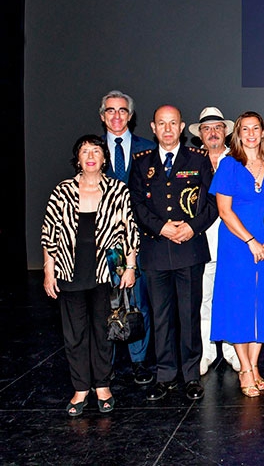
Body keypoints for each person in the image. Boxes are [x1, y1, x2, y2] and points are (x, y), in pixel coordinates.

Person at [42, 134, 139, 415]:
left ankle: (102, 386)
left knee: (103, 332)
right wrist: (49, 271)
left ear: (104, 158)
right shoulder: (62, 191)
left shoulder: (117, 190)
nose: (91, 155)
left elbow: (129, 232)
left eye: (96, 150)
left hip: (105, 273)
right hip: (69, 271)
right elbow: (49, 235)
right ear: (78, 159)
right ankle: (80, 388)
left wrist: (130, 267)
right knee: (74, 335)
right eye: (85, 151)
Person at [129, 105, 218, 401]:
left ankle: (191, 375)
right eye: (162, 124)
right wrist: (162, 228)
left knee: (190, 315)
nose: (168, 129)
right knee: (161, 316)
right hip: (155, 251)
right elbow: (138, 205)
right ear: (153, 128)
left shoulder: (198, 159)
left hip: (190, 250)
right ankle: (165, 374)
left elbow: (212, 202)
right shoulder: (141, 163)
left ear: (181, 127)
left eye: (173, 124)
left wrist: (191, 228)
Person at [208, 111, 264, 397]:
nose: (250, 134)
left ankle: (254, 364)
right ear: (237, 134)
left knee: (263, 303)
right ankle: (245, 367)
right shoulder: (229, 165)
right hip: (238, 246)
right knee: (239, 304)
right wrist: (251, 241)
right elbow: (224, 211)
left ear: (263, 132)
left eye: (256, 129)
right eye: (245, 129)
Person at [99, 89, 155, 386]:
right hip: (102, 242)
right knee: (104, 303)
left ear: (131, 117)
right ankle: (103, 365)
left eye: (122, 111)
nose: (117, 116)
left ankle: (139, 361)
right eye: (111, 110)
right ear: (102, 115)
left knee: (137, 301)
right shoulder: (93, 151)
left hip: (140, 238)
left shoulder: (147, 149)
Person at [187, 107, 241, 375]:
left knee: (231, 295)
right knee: (204, 297)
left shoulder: (239, 160)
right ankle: (207, 350)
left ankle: (231, 349)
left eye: (217, 128)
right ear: (200, 135)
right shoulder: (192, 162)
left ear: (226, 132)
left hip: (234, 240)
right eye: (206, 129)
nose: (212, 133)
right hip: (202, 240)